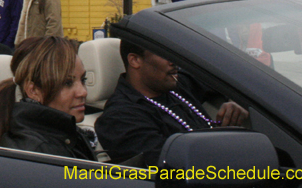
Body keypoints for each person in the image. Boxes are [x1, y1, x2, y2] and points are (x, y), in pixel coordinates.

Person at [95, 39, 248, 167]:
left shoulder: (175, 85)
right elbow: (170, 166)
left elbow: (228, 77)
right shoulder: (119, 118)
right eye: (163, 53)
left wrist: (233, 101)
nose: (173, 61)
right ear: (135, 60)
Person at [0, 36, 95, 161]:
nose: (83, 92)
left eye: (83, 80)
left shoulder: (66, 135)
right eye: (67, 83)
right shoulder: (38, 154)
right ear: (33, 90)